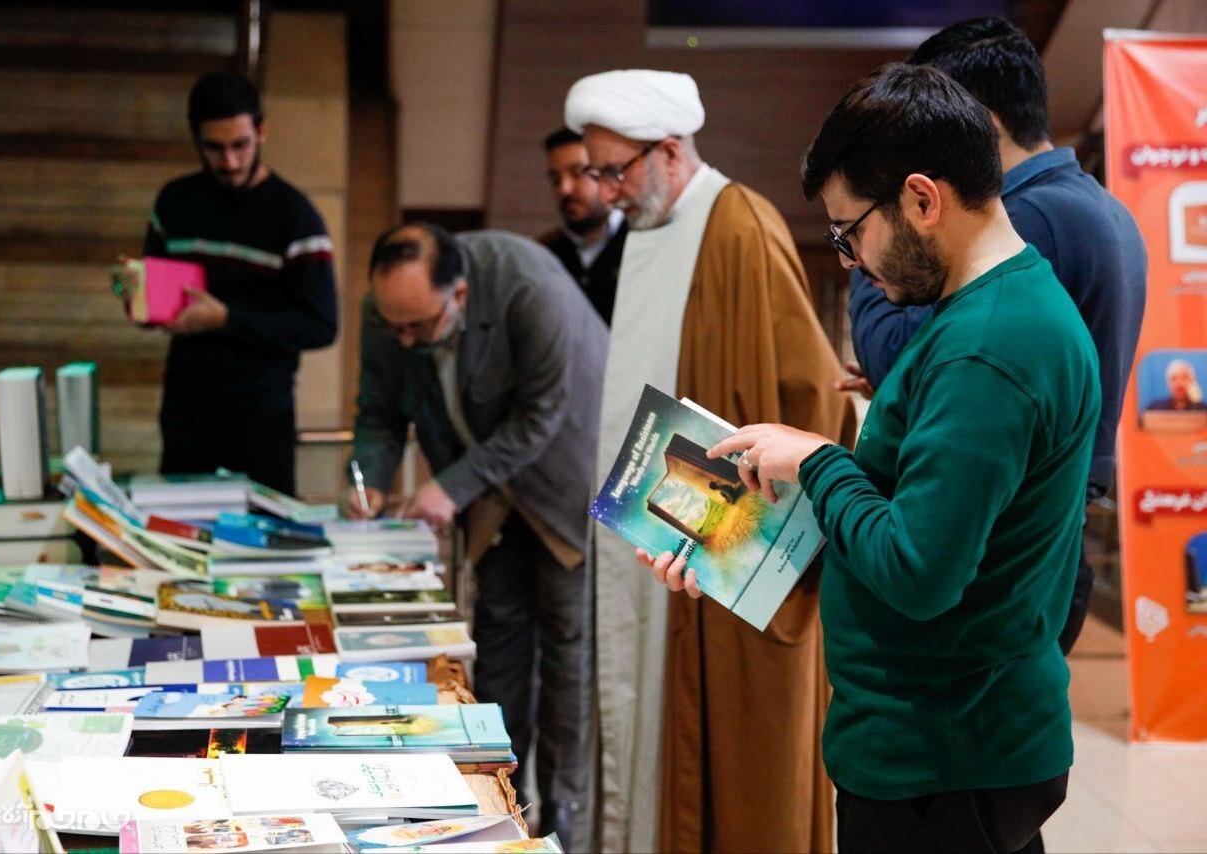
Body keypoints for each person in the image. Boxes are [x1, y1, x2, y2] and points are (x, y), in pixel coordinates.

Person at [648, 62, 1100, 854]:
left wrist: (819, 461)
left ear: (922, 200)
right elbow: (918, 521)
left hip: (943, 759)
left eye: (849, 231)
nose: (850, 259)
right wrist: (747, 543)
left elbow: (920, 572)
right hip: (940, 744)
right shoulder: (987, 315)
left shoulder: (989, 346)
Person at [564, 69, 856, 853]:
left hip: (725, 558)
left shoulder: (738, 228)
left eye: (614, 172)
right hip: (662, 543)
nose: (606, 193)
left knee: (729, 762)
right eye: (596, 173)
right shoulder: (654, 228)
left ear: (668, 151)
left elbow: (810, 404)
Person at [838, 17, 1147, 654]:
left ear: (975, 119)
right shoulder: (1102, 207)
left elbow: (895, 352)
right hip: (1046, 520)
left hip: (1003, 545)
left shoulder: (1028, 217)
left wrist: (870, 249)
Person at [347, 223, 606, 850]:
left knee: (568, 656)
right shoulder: (391, 310)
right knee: (497, 644)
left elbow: (541, 413)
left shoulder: (528, 285)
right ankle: (498, 812)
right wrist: (368, 480)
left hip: (564, 483)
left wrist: (450, 487)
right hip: (490, 501)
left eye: (418, 327)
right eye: (394, 326)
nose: (404, 339)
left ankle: (564, 819)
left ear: (459, 294)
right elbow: (379, 411)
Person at [123, 72, 338, 495]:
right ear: (196, 139)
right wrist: (134, 295)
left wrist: (227, 320)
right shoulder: (175, 202)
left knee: (265, 527)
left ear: (262, 132)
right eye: (215, 148)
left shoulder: (295, 215)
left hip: (262, 412)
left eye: (241, 145)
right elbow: (154, 306)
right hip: (187, 402)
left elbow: (321, 325)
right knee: (180, 524)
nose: (231, 161)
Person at [538, 127, 628, 324]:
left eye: (578, 173)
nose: (564, 189)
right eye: (555, 179)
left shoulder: (639, 242)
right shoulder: (544, 253)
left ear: (607, 174)